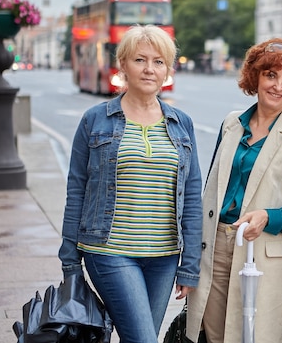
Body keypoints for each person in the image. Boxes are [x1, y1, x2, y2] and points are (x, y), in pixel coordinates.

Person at [58, 25, 203, 343]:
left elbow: (192, 194)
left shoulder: (181, 124)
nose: (150, 69)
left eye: (159, 61)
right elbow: (77, 189)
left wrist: (190, 264)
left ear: (168, 69)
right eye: (140, 60)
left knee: (140, 337)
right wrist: (70, 260)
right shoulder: (95, 120)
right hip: (109, 251)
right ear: (122, 65)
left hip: (164, 257)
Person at [186, 38, 282, 343]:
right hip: (218, 246)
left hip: (264, 253)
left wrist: (268, 217)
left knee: (258, 337)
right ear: (255, 76)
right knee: (216, 336)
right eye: (271, 75)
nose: (278, 87)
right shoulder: (231, 124)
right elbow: (211, 190)